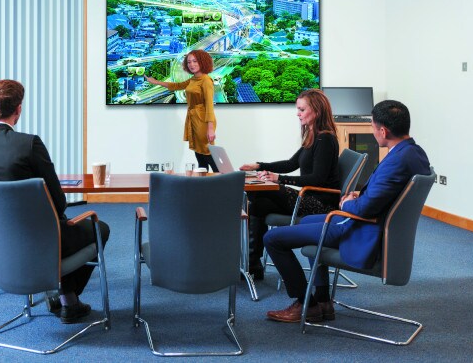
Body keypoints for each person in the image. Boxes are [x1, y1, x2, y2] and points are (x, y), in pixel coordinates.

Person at [0, 79, 111, 324]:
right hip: (43, 240)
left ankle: (62, 296)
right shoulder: (28, 144)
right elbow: (59, 203)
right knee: (99, 228)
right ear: (18, 109)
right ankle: (68, 299)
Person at [264, 100, 430, 323]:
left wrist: (346, 203)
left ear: (383, 130)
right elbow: (386, 195)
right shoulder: (414, 153)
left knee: (272, 238)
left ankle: (306, 303)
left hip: (359, 227)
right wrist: (359, 195)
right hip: (369, 220)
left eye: (372, 127)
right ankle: (323, 299)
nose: (373, 132)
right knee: (306, 222)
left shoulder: (395, 162)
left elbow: (365, 209)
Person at [239, 89, 340, 279]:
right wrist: (259, 165)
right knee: (258, 205)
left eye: (302, 109)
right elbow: (291, 164)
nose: (297, 113)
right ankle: (253, 266)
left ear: (316, 111)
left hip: (320, 204)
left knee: (264, 192)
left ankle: (252, 265)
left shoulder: (325, 139)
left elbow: (316, 179)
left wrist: (278, 179)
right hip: (308, 198)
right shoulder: (313, 135)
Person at [145, 49, 218, 172]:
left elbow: (209, 105)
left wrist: (210, 128)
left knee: (207, 152)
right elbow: (177, 86)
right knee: (199, 154)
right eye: (189, 62)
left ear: (202, 62)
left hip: (203, 121)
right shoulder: (194, 79)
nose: (191, 64)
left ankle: (223, 182)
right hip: (193, 118)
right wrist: (156, 82)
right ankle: (203, 183)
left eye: (195, 61)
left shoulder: (206, 80)